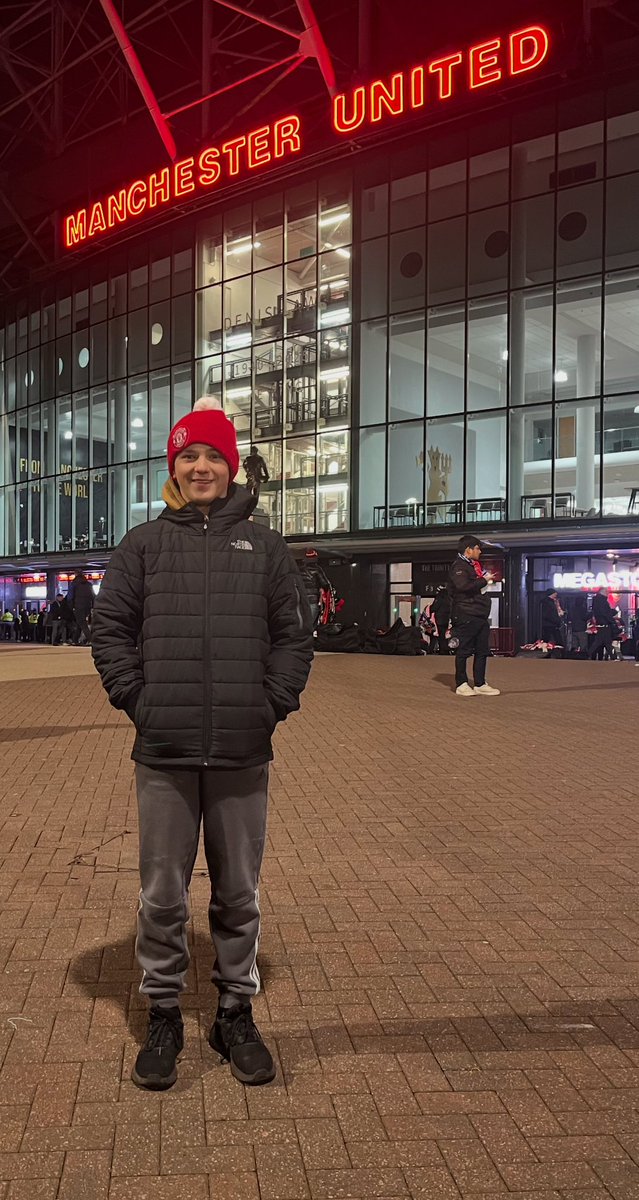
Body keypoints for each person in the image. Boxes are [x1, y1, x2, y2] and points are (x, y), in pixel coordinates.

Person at [92, 396, 313, 1093]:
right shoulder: (143, 545)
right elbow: (109, 633)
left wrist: (268, 705)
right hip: (164, 747)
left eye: (212, 455)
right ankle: (162, 1012)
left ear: (231, 464)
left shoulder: (266, 547)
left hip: (243, 750)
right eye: (188, 455)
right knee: (162, 896)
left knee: (238, 894)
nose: (199, 466)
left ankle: (233, 1012)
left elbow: (293, 638)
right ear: (174, 467)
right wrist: (141, 702)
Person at [448, 535, 500, 697]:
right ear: (468, 550)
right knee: (463, 650)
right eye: (477, 548)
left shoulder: (473, 566)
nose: (480, 551)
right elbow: (462, 586)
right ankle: (461, 684)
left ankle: (480, 683)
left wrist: (483, 580)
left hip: (479, 614)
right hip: (466, 614)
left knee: (482, 650)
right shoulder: (459, 566)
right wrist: (483, 581)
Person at [299, 548, 331, 629]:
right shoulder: (317, 569)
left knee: (303, 623)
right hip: (313, 599)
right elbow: (325, 584)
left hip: (301, 600)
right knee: (312, 623)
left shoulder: (300, 570)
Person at [589, 589, 618, 660]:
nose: (608, 594)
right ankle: (587, 654)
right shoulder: (603, 601)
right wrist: (612, 620)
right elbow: (606, 613)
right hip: (605, 624)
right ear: (603, 593)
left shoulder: (596, 601)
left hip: (601, 624)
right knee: (603, 642)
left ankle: (613, 656)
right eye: (607, 592)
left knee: (603, 642)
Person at [70, 571, 95, 645]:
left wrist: (72, 606)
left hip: (78, 606)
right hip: (87, 606)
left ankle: (91, 639)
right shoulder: (89, 584)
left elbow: (70, 596)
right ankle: (75, 640)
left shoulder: (74, 584)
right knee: (80, 623)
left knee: (82, 623)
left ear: (76, 575)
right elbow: (93, 595)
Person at [432, 585, 452, 655]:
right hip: (446, 618)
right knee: (444, 634)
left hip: (439, 618)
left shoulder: (439, 598)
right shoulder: (449, 599)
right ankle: (445, 649)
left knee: (441, 635)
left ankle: (442, 650)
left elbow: (434, 607)